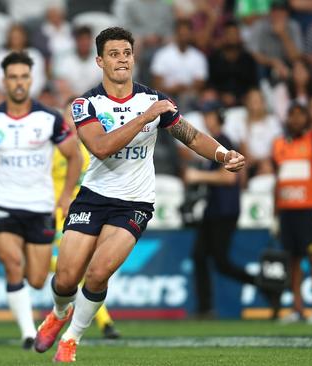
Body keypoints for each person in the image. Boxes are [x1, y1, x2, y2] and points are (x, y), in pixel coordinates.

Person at [33, 26, 245, 363]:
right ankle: (59, 313)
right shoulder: (85, 104)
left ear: (134, 58)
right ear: (100, 60)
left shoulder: (153, 100)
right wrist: (145, 118)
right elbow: (100, 148)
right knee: (66, 278)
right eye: (114, 54)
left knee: (99, 272)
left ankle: (71, 339)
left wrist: (223, 155)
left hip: (135, 201)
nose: (122, 60)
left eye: (127, 53)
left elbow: (189, 134)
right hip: (93, 196)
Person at [0, 51, 83, 349]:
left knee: (38, 279)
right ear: (4, 81)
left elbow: (74, 156)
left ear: (31, 79)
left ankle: (56, 314)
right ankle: (28, 333)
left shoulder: (50, 119)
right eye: (13, 77)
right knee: (13, 264)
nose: (18, 82)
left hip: (40, 206)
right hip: (2, 202)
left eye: (24, 76)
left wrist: (66, 196)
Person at [185, 106, 265, 318]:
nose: (207, 120)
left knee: (220, 261)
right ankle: (204, 308)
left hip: (225, 209)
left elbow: (229, 177)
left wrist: (197, 177)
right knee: (200, 255)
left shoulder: (224, 141)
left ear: (218, 118)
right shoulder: (216, 140)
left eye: (210, 115)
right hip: (214, 209)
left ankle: (264, 285)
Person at [51, 98, 120, 339]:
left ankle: (101, 322)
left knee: (87, 270)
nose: (71, 121)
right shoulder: (55, 150)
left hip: (87, 214)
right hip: (58, 216)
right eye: (68, 116)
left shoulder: (94, 148)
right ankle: (101, 322)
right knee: (68, 271)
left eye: (74, 116)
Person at [272, 103, 312, 325]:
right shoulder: (279, 144)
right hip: (287, 210)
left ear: (306, 118)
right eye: (292, 115)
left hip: (310, 208)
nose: (296, 120)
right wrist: (275, 215)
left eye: (300, 115)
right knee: (293, 260)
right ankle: (297, 309)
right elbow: (278, 181)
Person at [206, 20, 259, 107]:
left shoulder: (248, 59)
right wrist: (222, 96)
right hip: (219, 101)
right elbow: (210, 84)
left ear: (239, 37)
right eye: (229, 34)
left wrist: (243, 97)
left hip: (244, 102)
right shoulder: (214, 59)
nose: (232, 37)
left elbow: (254, 85)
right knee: (209, 95)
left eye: (235, 34)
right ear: (224, 37)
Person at [246, 0, 303, 82]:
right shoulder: (260, 25)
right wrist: (273, 62)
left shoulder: (293, 26)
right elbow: (254, 54)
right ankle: (262, 90)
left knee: (298, 66)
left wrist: (283, 35)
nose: (278, 14)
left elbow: (296, 58)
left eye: (282, 11)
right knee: (257, 66)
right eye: (275, 11)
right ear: (270, 12)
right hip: (266, 64)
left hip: (287, 64)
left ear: (288, 13)